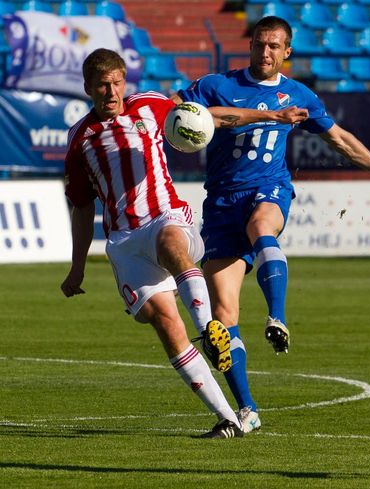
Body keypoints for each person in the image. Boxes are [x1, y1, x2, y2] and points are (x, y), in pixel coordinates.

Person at [173, 15, 370, 434]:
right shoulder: (217, 84)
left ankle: (277, 317)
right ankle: (247, 412)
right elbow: (197, 116)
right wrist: (270, 116)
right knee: (222, 317)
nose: (265, 52)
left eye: (273, 46)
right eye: (258, 44)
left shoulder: (298, 94)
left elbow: (339, 139)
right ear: (250, 46)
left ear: (287, 51)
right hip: (220, 204)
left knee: (263, 227)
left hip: (267, 190)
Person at [60, 48, 306, 439]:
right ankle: (230, 419)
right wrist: (76, 269)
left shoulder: (153, 107)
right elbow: (80, 207)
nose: (112, 91)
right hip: (124, 240)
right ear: (88, 88)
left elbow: (216, 118)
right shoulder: (80, 140)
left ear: (126, 80)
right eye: (103, 85)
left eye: (118, 82)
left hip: (166, 216)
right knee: (165, 323)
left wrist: (272, 116)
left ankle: (210, 328)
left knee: (173, 245)